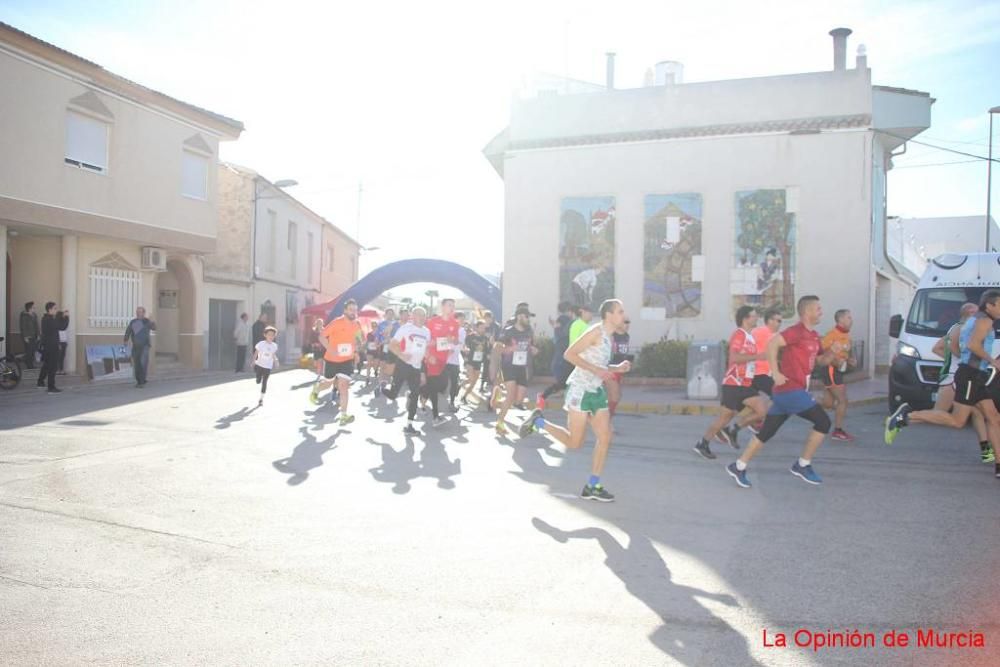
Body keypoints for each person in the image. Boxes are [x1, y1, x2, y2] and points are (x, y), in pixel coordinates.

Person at [519, 299, 632, 502]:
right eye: (620, 311)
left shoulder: (609, 336)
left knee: (606, 437)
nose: (624, 315)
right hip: (580, 390)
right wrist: (596, 370)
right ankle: (539, 422)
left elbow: (599, 363)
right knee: (574, 443)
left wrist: (616, 368)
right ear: (608, 315)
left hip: (596, 391)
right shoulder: (595, 332)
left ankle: (592, 485)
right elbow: (569, 354)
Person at [885, 290, 1000, 480]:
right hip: (970, 376)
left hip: (976, 376)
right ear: (989, 305)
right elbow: (973, 345)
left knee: (993, 417)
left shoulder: (976, 320)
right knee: (958, 421)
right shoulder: (984, 321)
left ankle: (998, 465)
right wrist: (992, 361)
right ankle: (905, 416)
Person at [725, 296, 836, 489]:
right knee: (823, 421)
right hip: (789, 389)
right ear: (807, 312)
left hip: (792, 392)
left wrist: (833, 352)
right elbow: (772, 345)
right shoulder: (796, 331)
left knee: (766, 433)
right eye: (818, 309)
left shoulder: (814, 336)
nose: (821, 312)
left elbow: (820, 361)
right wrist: (775, 373)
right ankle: (802, 465)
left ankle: (738, 466)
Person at [694, 306, 769, 459]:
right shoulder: (739, 335)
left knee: (760, 410)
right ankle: (704, 443)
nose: (757, 318)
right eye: (754, 316)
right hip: (734, 383)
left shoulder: (749, 336)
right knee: (725, 417)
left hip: (744, 384)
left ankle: (731, 430)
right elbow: (734, 358)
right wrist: (758, 356)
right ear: (745, 318)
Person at [931, 302, 991, 462]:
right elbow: (939, 347)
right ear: (967, 314)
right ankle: (906, 415)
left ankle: (986, 450)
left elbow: (938, 348)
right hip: (954, 376)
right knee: (941, 413)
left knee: (978, 413)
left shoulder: (968, 328)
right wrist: (957, 359)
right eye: (975, 313)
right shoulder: (959, 328)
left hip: (967, 375)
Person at [310, 299, 362, 426]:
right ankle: (317, 388)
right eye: (350, 309)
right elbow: (321, 336)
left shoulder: (357, 325)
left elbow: (358, 340)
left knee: (344, 386)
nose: (353, 312)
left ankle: (343, 415)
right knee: (328, 383)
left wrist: (356, 352)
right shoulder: (336, 322)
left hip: (347, 360)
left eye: (355, 310)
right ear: (345, 311)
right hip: (332, 359)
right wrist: (331, 350)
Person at [384, 306, 432, 434]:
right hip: (403, 364)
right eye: (419, 315)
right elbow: (392, 344)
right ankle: (383, 388)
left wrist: (428, 356)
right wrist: (401, 355)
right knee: (393, 394)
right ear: (413, 316)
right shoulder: (406, 328)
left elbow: (425, 349)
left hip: (416, 367)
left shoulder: (427, 331)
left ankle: (409, 425)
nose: (422, 318)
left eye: (424, 315)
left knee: (415, 394)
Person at [537, 304, 593, 408]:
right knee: (564, 383)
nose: (591, 314)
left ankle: (578, 404)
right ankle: (543, 396)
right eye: (589, 312)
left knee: (570, 383)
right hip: (574, 359)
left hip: (580, 359)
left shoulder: (587, 326)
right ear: (582, 312)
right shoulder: (576, 324)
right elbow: (574, 343)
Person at [493, 305, 536, 435]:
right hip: (509, 366)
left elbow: (530, 346)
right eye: (526, 316)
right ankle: (499, 423)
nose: (528, 319)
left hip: (521, 366)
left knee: (518, 400)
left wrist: (533, 350)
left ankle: (497, 398)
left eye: (529, 317)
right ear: (519, 316)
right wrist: (509, 349)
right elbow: (497, 347)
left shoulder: (529, 330)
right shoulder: (508, 331)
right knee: (511, 396)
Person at [817, 309, 857, 441]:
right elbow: (822, 355)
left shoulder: (847, 336)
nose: (851, 320)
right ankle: (838, 431)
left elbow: (844, 354)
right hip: (830, 370)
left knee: (828, 404)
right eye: (849, 317)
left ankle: (806, 401)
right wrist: (836, 361)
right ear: (841, 320)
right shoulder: (831, 335)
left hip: (837, 371)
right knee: (843, 401)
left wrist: (849, 360)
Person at [745, 307, 783, 433]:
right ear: (770, 320)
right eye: (778, 321)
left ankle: (727, 429)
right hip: (759, 374)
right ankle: (757, 422)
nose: (779, 324)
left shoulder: (758, 331)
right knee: (779, 395)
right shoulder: (767, 333)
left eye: (780, 321)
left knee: (735, 408)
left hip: (755, 373)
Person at [124, 307, 156, 388]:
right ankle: (140, 380)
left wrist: (152, 321)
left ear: (143, 313)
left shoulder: (146, 321)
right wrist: (125, 340)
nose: (138, 313)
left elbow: (154, 328)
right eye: (137, 312)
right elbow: (128, 331)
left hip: (145, 346)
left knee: (143, 363)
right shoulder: (133, 322)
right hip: (136, 346)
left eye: (140, 312)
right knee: (137, 364)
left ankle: (141, 381)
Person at [606, 317, 631, 417]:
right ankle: (607, 418)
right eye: (625, 323)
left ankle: (605, 418)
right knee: (615, 396)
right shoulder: (611, 336)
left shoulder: (626, 336)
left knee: (614, 396)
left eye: (629, 323)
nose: (628, 325)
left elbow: (623, 352)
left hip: (620, 369)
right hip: (611, 369)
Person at [460, 319, 489, 404]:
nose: (483, 330)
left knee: (473, 381)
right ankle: (460, 388)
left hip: (478, 362)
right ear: (476, 328)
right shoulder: (470, 336)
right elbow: (464, 347)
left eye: (484, 328)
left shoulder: (485, 338)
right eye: (481, 328)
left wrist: (488, 354)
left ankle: (464, 396)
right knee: (472, 379)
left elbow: (486, 349)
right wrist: (465, 356)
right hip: (470, 360)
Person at [36, 302, 61, 393]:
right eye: (55, 308)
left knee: (46, 365)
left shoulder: (46, 318)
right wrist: (65, 317)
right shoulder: (49, 319)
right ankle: (51, 387)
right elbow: (61, 326)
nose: (56, 310)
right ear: (49, 310)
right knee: (52, 367)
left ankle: (40, 382)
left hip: (48, 346)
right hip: (51, 347)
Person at [445, 312, 468, 411]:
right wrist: (446, 349)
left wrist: (465, 349)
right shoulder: (448, 328)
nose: (462, 321)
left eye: (463, 319)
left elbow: (461, 344)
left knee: (454, 382)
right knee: (439, 382)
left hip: (455, 361)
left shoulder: (463, 331)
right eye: (460, 319)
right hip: (444, 360)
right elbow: (442, 340)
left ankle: (452, 402)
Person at [253, 326, 279, 406]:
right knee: (258, 381)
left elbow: (273, 354)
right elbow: (256, 352)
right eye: (269, 334)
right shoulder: (261, 344)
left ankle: (261, 399)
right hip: (259, 365)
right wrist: (253, 360)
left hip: (268, 366)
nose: (271, 336)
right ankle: (258, 378)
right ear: (265, 335)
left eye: (273, 335)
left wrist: (276, 361)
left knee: (265, 382)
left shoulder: (274, 345)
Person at [479, 310, 501, 393]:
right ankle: (482, 385)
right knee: (485, 367)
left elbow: (500, 338)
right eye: (485, 318)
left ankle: (494, 385)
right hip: (484, 349)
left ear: (491, 318)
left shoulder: (496, 326)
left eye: (488, 318)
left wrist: (494, 341)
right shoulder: (483, 326)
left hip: (494, 349)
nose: (487, 320)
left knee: (495, 368)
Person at [19, 302, 39, 369]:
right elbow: (23, 326)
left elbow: (37, 325)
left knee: (33, 350)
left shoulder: (34, 315)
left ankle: (30, 363)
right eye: (33, 307)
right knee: (29, 351)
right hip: (28, 336)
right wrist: (25, 337)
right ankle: (29, 365)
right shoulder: (24, 315)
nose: (34, 308)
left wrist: (38, 334)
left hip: (34, 336)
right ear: (29, 308)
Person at [55, 309, 70, 374]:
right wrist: (67, 317)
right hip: (59, 342)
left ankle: (61, 369)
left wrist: (67, 317)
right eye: (63, 315)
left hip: (63, 341)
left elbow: (65, 326)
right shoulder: (58, 323)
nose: (64, 316)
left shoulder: (62, 321)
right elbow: (63, 326)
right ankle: (58, 370)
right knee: (59, 356)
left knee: (62, 356)